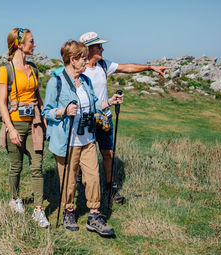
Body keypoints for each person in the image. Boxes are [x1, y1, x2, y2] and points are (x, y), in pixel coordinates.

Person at [79, 32, 172, 204]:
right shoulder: (80, 68)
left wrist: (151, 68)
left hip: (105, 118)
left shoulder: (103, 65)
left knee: (109, 154)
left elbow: (127, 68)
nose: (102, 48)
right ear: (89, 49)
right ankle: (81, 185)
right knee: (82, 154)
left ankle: (110, 189)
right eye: (99, 46)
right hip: (87, 119)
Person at [42, 40, 123, 236]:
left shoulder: (85, 81)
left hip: (87, 139)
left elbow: (94, 105)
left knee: (93, 178)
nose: (87, 62)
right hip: (67, 141)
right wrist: (63, 111)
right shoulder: (57, 81)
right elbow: (47, 111)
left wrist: (110, 102)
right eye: (83, 59)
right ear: (73, 60)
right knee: (69, 181)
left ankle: (94, 215)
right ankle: (68, 211)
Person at [0, 28, 49, 228]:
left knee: (37, 166)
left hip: (35, 122)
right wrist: (10, 129)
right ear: (19, 44)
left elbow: (38, 96)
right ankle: (15, 198)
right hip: (16, 122)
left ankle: (39, 209)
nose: (34, 45)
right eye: (31, 41)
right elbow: (2, 102)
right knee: (16, 166)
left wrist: (44, 117)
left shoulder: (34, 68)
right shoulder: (5, 70)